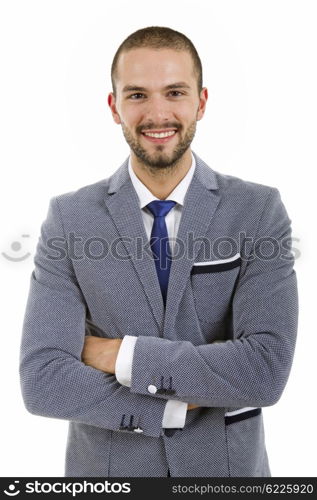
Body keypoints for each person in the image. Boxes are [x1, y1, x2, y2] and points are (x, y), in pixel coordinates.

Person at [19, 26, 298, 478]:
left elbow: (265, 368)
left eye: (174, 92)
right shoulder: (69, 220)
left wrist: (120, 355)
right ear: (114, 107)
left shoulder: (257, 211)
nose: (158, 113)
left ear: (201, 102)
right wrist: (170, 407)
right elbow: (44, 381)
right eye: (137, 95)